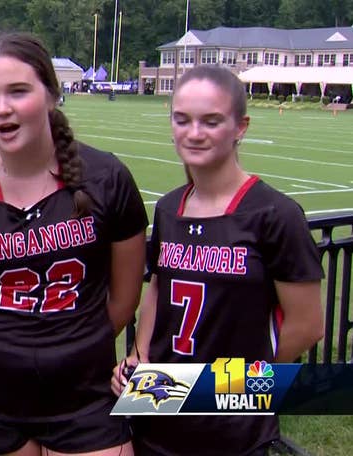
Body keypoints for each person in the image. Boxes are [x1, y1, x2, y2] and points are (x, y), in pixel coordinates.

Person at [0, 32, 147, 456]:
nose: (2, 108)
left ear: (51, 94)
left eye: (18, 91)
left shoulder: (106, 177)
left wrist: (71, 346)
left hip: (85, 394)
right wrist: (1, 348)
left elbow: (124, 299)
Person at [111, 65, 324, 455]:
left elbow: (307, 325)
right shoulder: (171, 207)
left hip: (232, 420)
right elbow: (160, 286)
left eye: (211, 121)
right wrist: (139, 357)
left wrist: (231, 387)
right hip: (160, 403)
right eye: (182, 119)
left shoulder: (275, 215)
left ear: (240, 127)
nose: (194, 133)